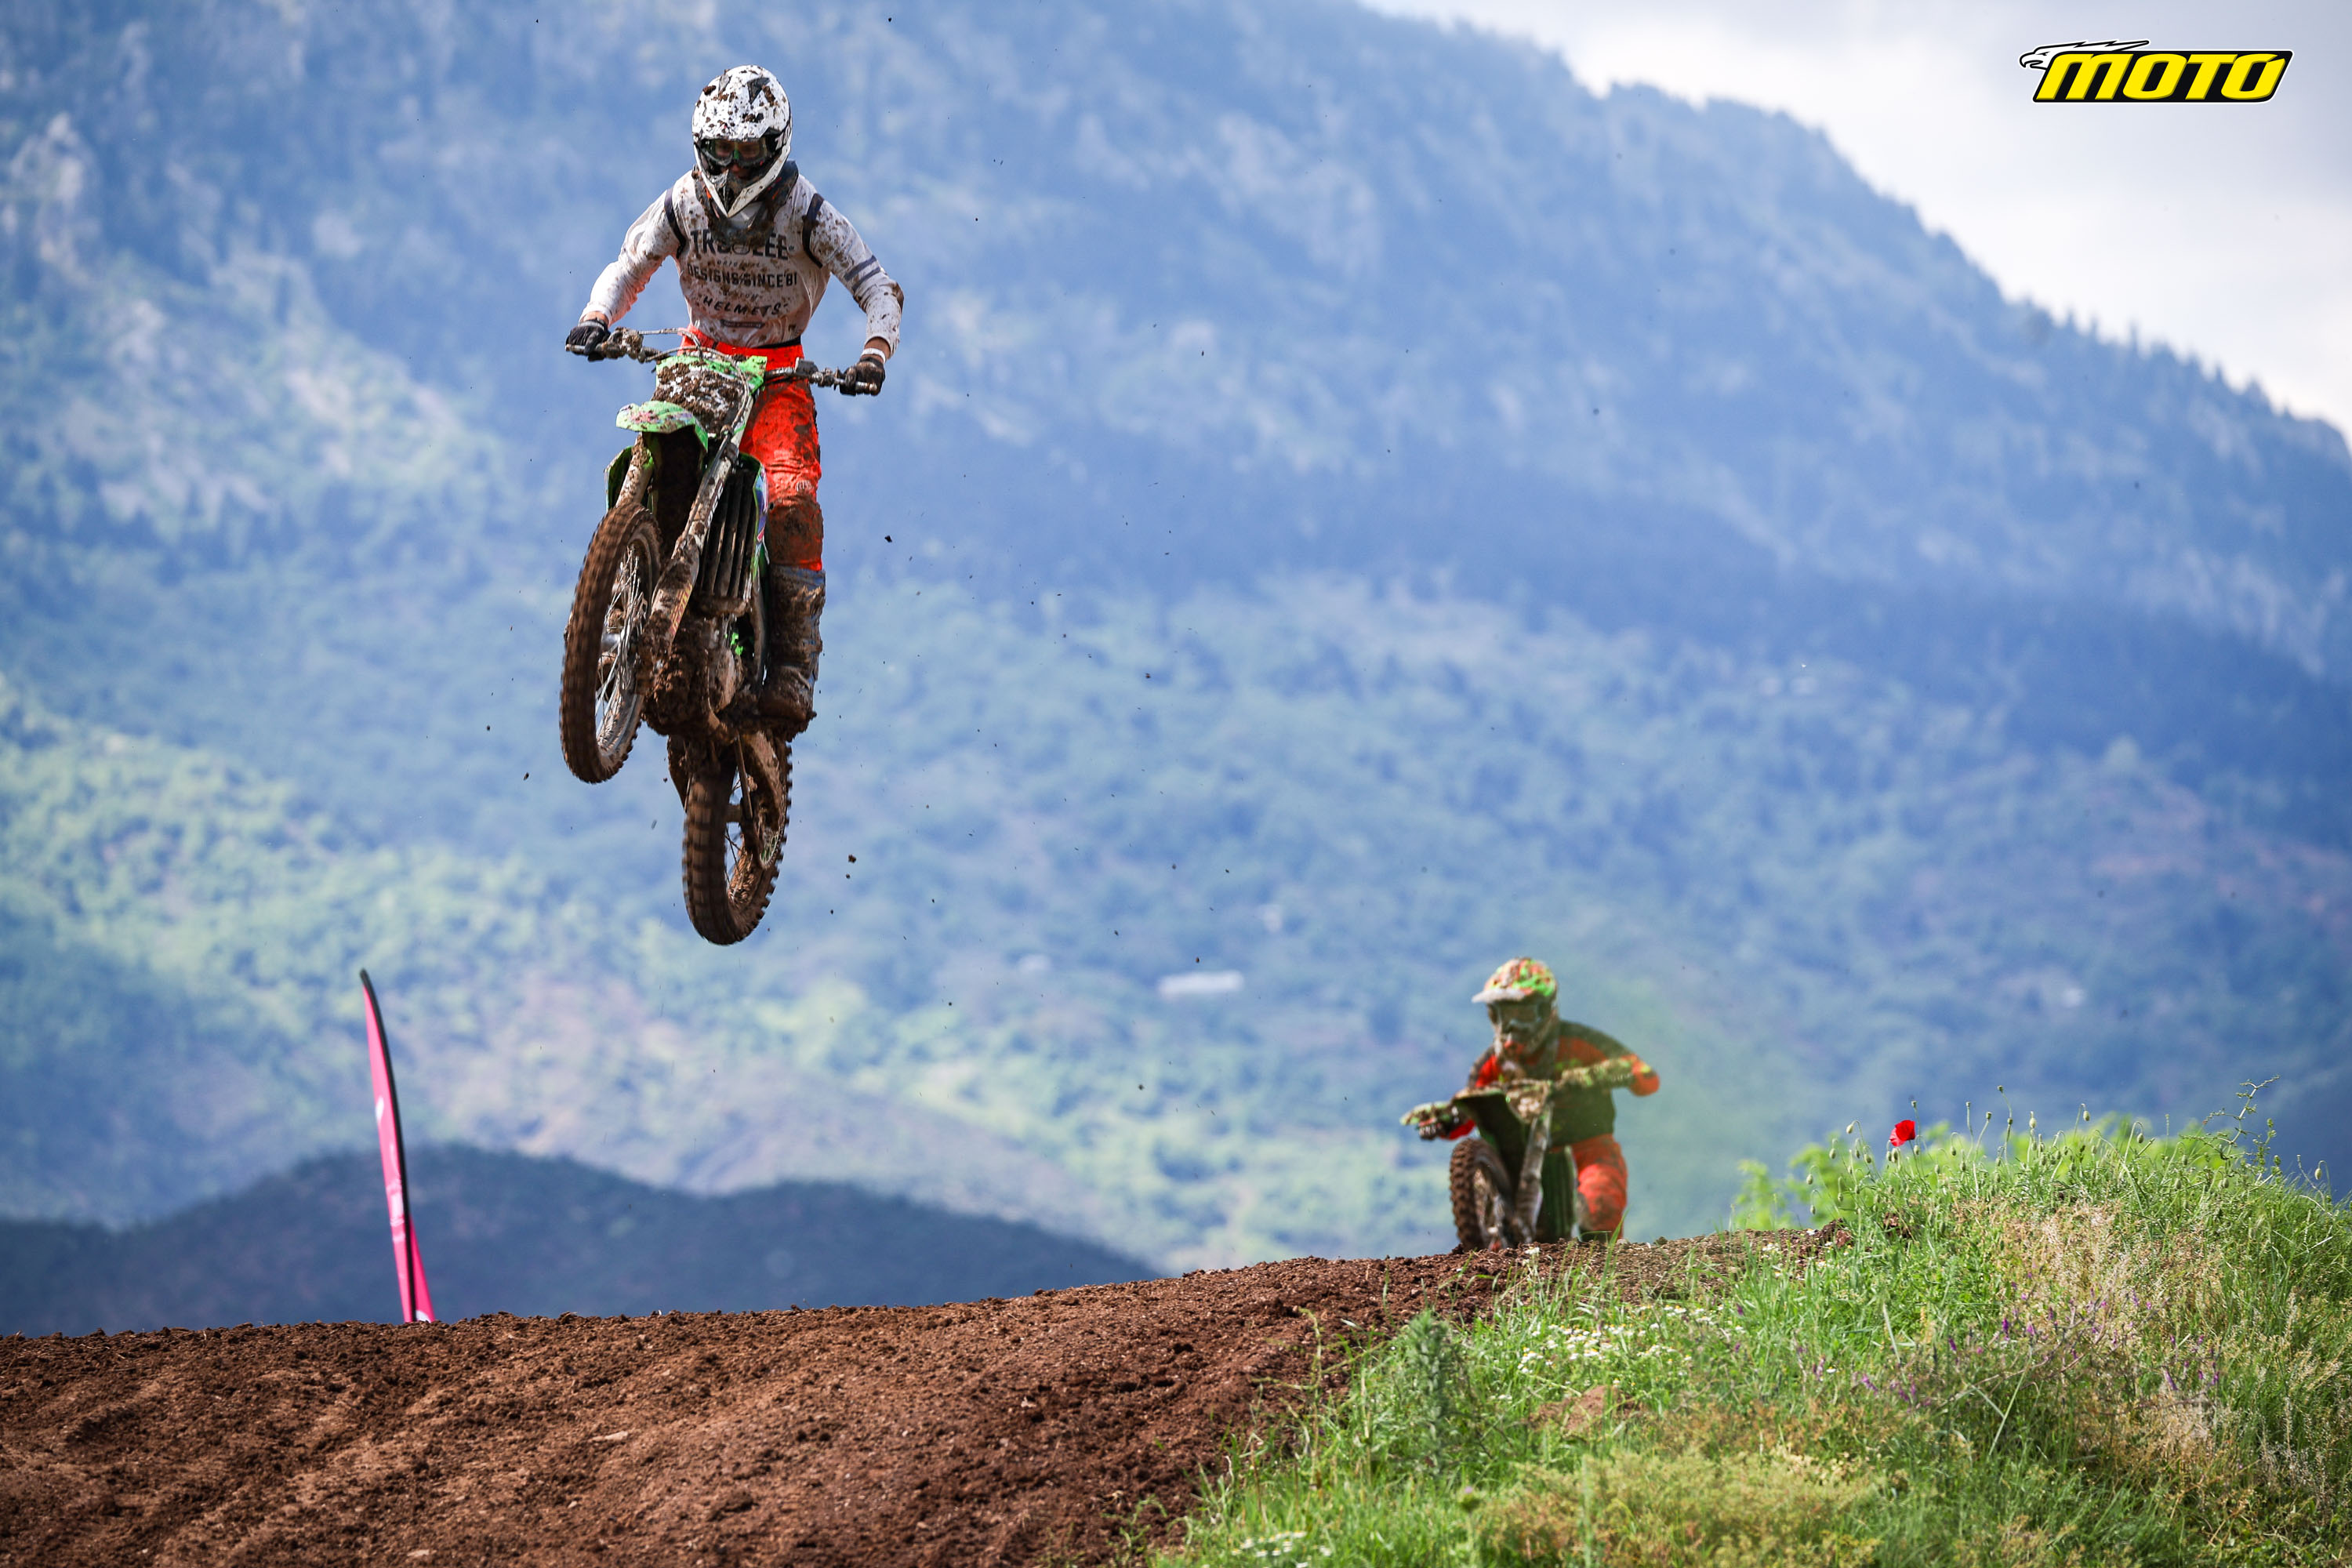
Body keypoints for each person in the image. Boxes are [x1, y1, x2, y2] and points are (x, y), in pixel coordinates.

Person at [564, 64, 903, 734]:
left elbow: (877, 286)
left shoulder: (807, 211)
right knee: (654, 449)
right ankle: (622, 588)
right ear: (701, 146)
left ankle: (794, 664)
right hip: (697, 361)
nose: (732, 167)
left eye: (747, 152)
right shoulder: (683, 203)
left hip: (777, 378)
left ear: (775, 146)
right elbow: (630, 264)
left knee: (793, 497)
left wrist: (874, 353)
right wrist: (597, 316)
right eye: (720, 150)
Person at [1424, 956, 1660, 1240]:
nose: (1513, 1026)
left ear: (1546, 1010)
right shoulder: (1492, 1064)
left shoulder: (1578, 1043)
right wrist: (1444, 1120)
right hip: (1521, 1161)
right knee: (1503, 1224)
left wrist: (1593, 1076)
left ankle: (1608, 1263)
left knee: (1598, 1212)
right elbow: (1471, 1111)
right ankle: (1498, 1252)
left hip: (1587, 1147)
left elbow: (1646, 1078)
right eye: (1504, 1015)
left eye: (1522, 1015)